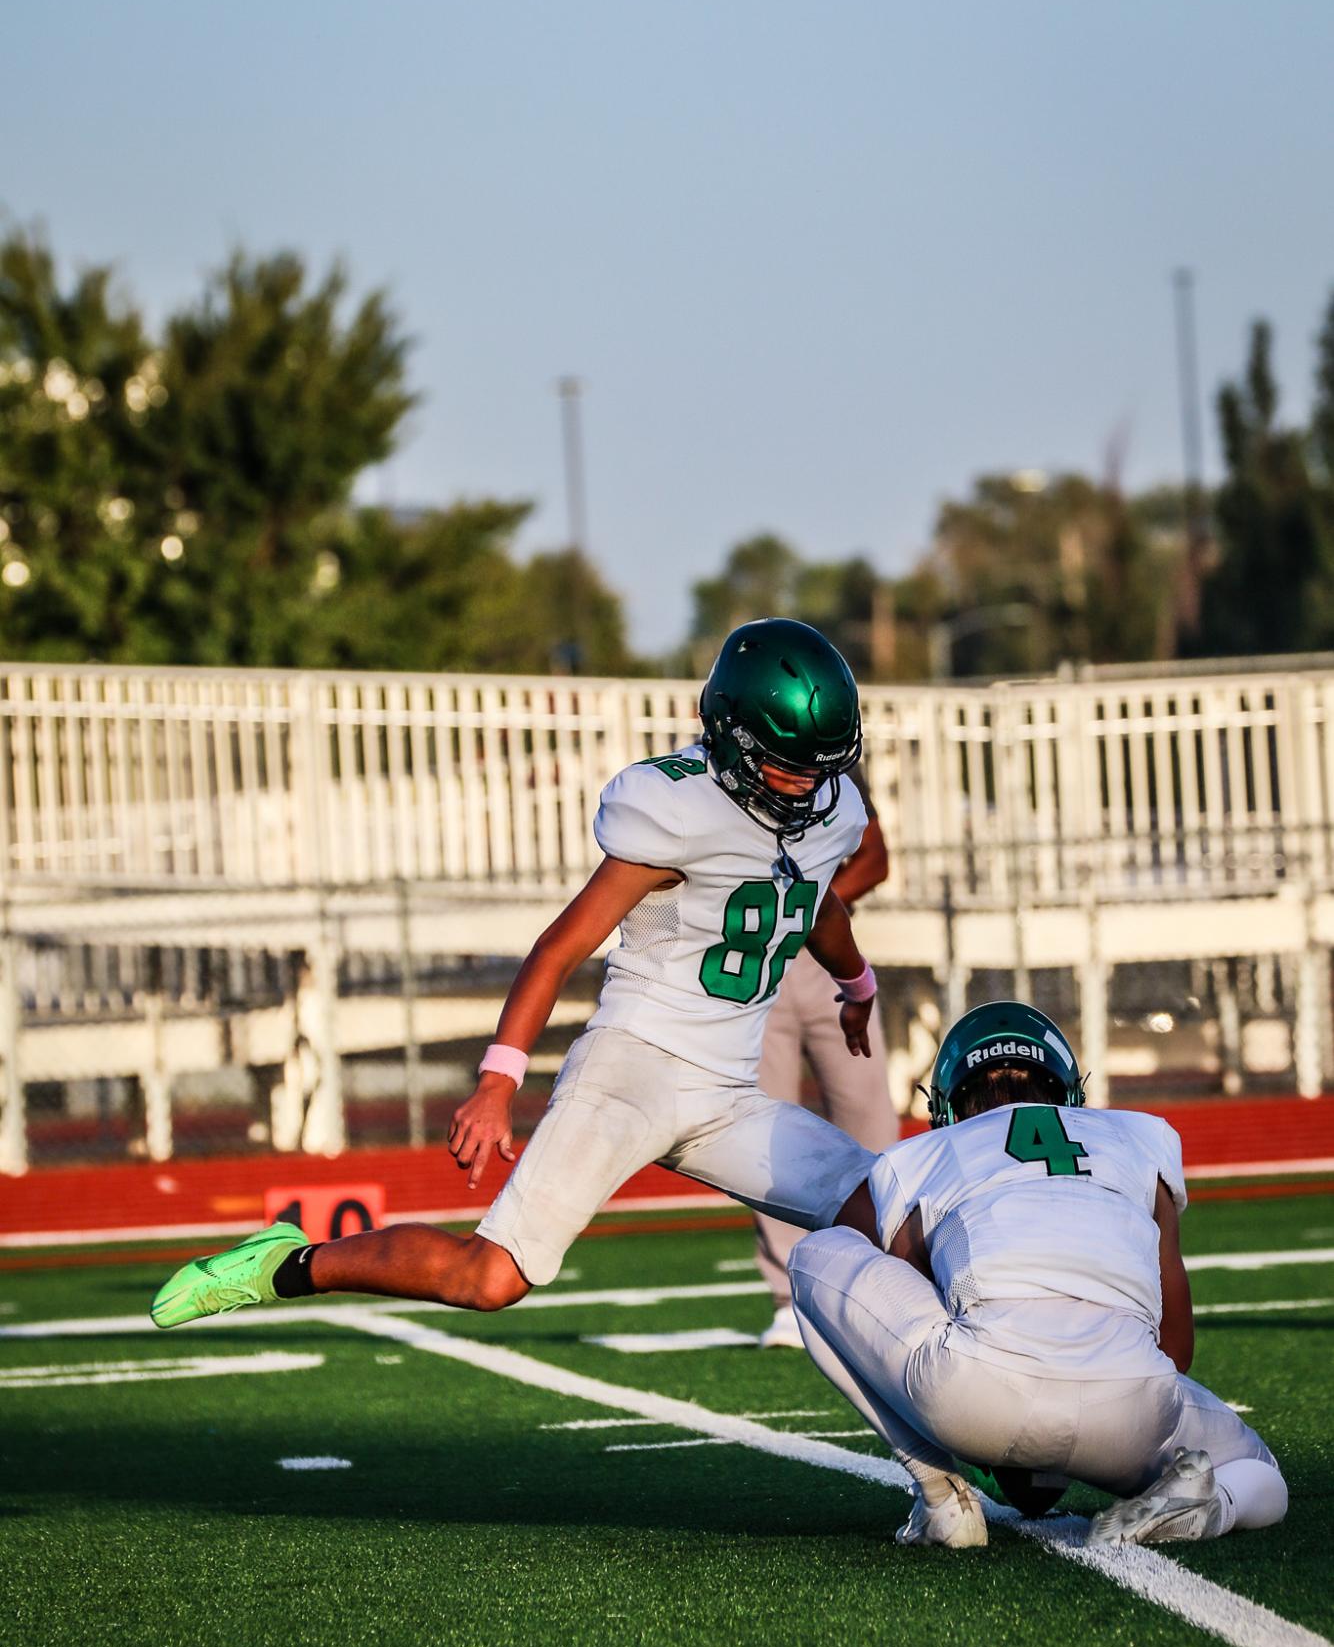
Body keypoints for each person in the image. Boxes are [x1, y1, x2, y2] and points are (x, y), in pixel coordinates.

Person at [151, 619, 884, 1330]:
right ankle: (287, 1263)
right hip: (632, 1072)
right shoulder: (676, 807)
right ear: (731, 736)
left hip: (728, 1093)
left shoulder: (832, 810)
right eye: (789, 767)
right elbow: (560, 947)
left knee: (885, 1211)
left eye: (821, 770)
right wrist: (498, 1082)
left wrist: (856, 988)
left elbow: (811, 898)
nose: (804, 789)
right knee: (488, 1277)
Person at [786, 1000, 1289, 1550]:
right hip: (1132, 1406)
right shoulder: (1141, 1137)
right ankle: (1212, 1508)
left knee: (817, 1254)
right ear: (1070, 1092)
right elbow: (1177, 1346)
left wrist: (1017, 1446)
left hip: (977, 1396)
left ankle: (939, 1498)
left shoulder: (923, 1154)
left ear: (947, 1105)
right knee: (1258, 1470)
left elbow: (909, 1302)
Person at [751, 764, 898, 1349]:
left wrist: (812, 908)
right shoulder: (716, 767)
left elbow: (877, 857)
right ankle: (790, 1297)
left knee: (869, 1123)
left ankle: (890, 1279)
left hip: (830, 960)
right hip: (751, 960)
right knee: (763, 1133)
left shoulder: (832, 766)